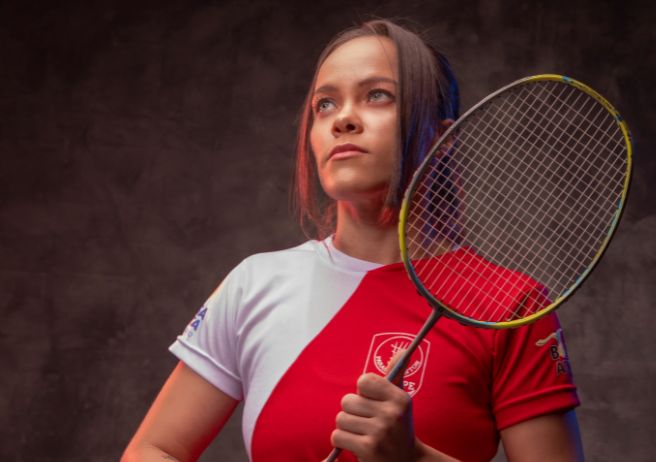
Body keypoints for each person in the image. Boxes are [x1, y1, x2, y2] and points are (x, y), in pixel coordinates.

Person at [122, 19, 584, 462]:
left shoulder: (512, 306)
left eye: (377, 95)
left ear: (440, 139)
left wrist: (414, 460)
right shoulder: (254, 284)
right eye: (325, 104)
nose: (342, 119)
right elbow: (151, 450)